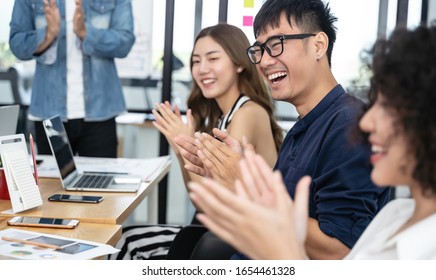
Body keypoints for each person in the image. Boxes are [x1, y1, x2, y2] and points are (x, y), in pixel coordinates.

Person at [188, 24, 436, 260]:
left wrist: (253, 188)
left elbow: (338, 251)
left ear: (319, 45)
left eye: (276, 44)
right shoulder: (395, 216)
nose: (264, 61)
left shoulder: (346, 123)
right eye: (261, 50)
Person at [109, 23, 283, 260]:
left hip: (240, 243)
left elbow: (212, 205)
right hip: (219, 233)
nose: (201, 69)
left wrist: (185, 143)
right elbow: (200, 203)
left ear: (240, 64)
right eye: (196, 61)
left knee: (123, 244)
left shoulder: (247, 113)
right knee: (122, 240)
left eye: (213, 59)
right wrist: (182, 150)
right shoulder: (224, 115)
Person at [9, 0, 135, 158]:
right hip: (49, 113)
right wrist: (48, 35)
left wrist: (86, 32)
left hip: (101, 112)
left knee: (98, 181)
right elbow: (17, 44)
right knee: (53, 181)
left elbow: (125, 41)